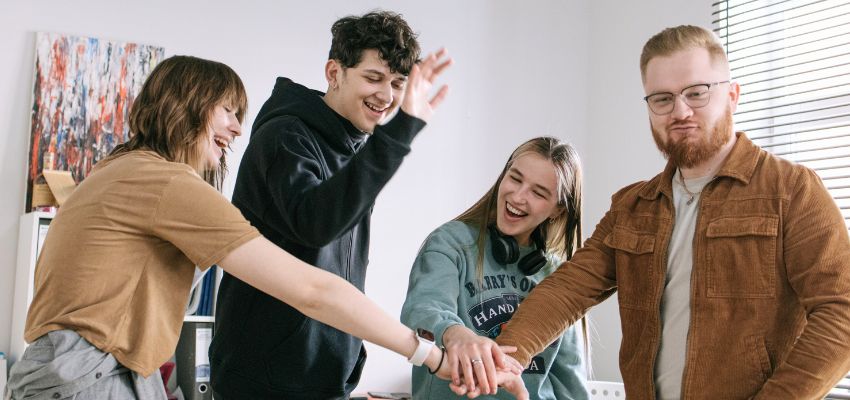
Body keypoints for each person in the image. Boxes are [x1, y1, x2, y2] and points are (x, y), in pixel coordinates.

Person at [4, 55, 524, 400]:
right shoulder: (165, 183)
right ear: (184, 105)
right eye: (227, 110)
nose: (235, 127)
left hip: (90, 372)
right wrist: (430, 355)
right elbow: (313, 289)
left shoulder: (120, 172)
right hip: (88, 377)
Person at [492, 25, 850, 400]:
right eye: (662, 99)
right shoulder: (631, 207)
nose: (680, 111)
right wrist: (505, 356)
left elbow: (840, 313)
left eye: (696, 93)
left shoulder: (792, 191)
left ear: (732, 95)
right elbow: (568, 289)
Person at [209, 10, 499, 400]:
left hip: (324, 380)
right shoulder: (285, 136)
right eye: (373, 77)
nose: (387, 96)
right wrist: (401, 131)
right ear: (334, 72)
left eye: (398, 83)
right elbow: (316, 224)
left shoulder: (350, 147)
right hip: (265, 381)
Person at [401, 137, 589, 400]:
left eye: (538, 192)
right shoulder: (451, 243)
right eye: (515, 178)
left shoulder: (559, 276)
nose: (519, 196)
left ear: (557, 209)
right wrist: (455, 335)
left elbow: (570, 381)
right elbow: (422, 310)